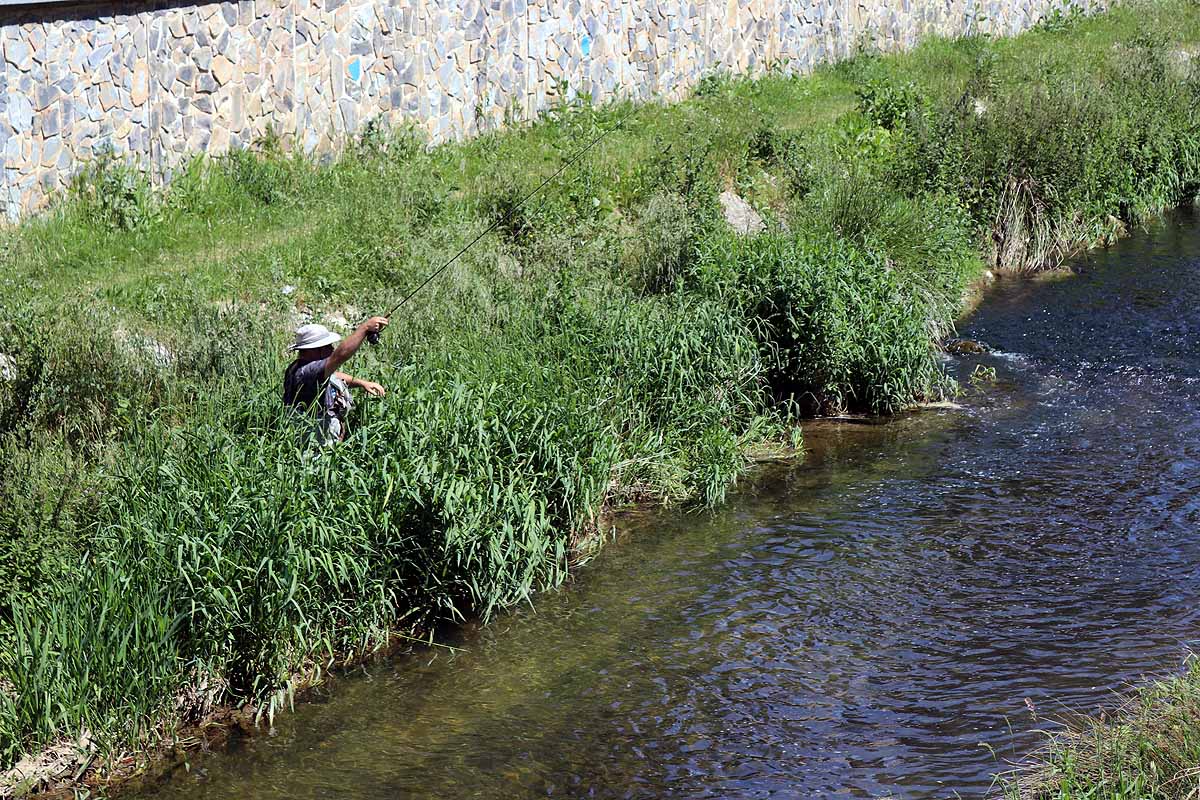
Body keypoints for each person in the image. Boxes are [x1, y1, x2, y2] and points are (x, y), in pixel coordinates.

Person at [283, 316, 389, 444]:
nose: (332, 349)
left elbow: (334, 375)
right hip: (316, 447)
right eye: (328, 346)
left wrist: (361, 383)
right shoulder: (308, 371)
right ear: (314, 350)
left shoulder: (299, 366)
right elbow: (340, 355)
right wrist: (365, 328)